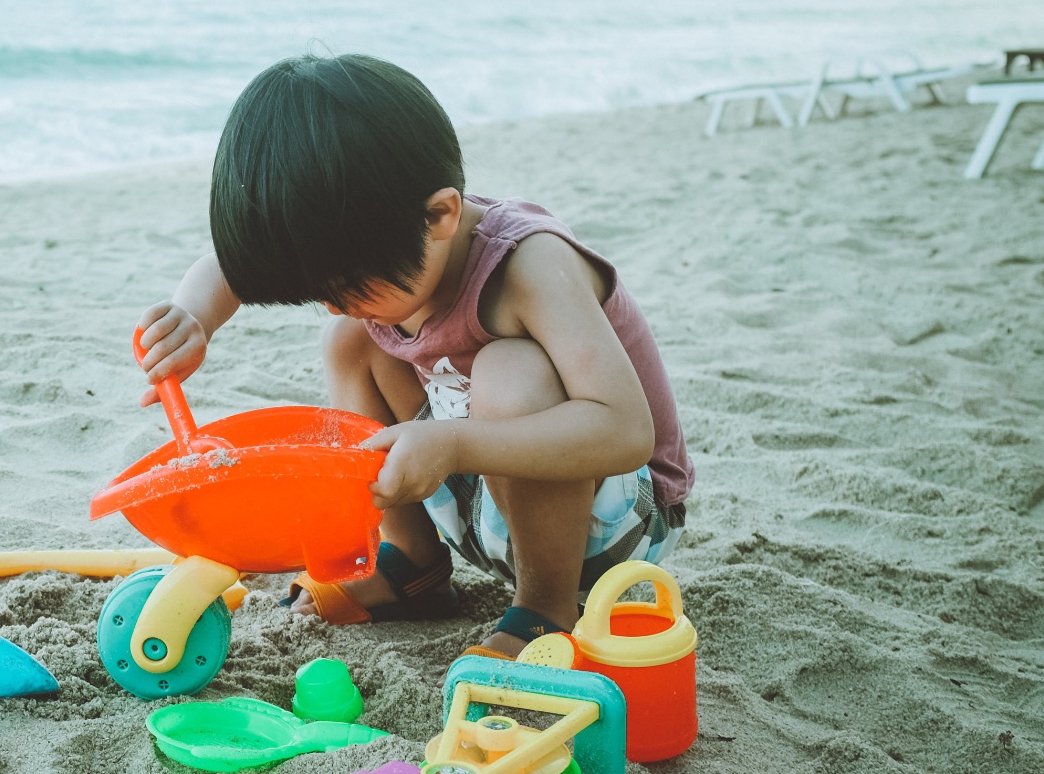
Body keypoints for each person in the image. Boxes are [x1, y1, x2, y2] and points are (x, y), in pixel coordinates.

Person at [135, 54, 690, 657]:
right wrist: (196, 316)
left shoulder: (530, 265)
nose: (332, 304)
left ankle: (545, 610)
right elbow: (237, 267)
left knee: (510, 370)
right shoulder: (384, 233)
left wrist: (453, 443)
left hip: (615, 529)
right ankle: (410, 564)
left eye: (348, 286)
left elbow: (625, 429)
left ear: (441, 215)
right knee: (351, 339)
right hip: (496, 503)